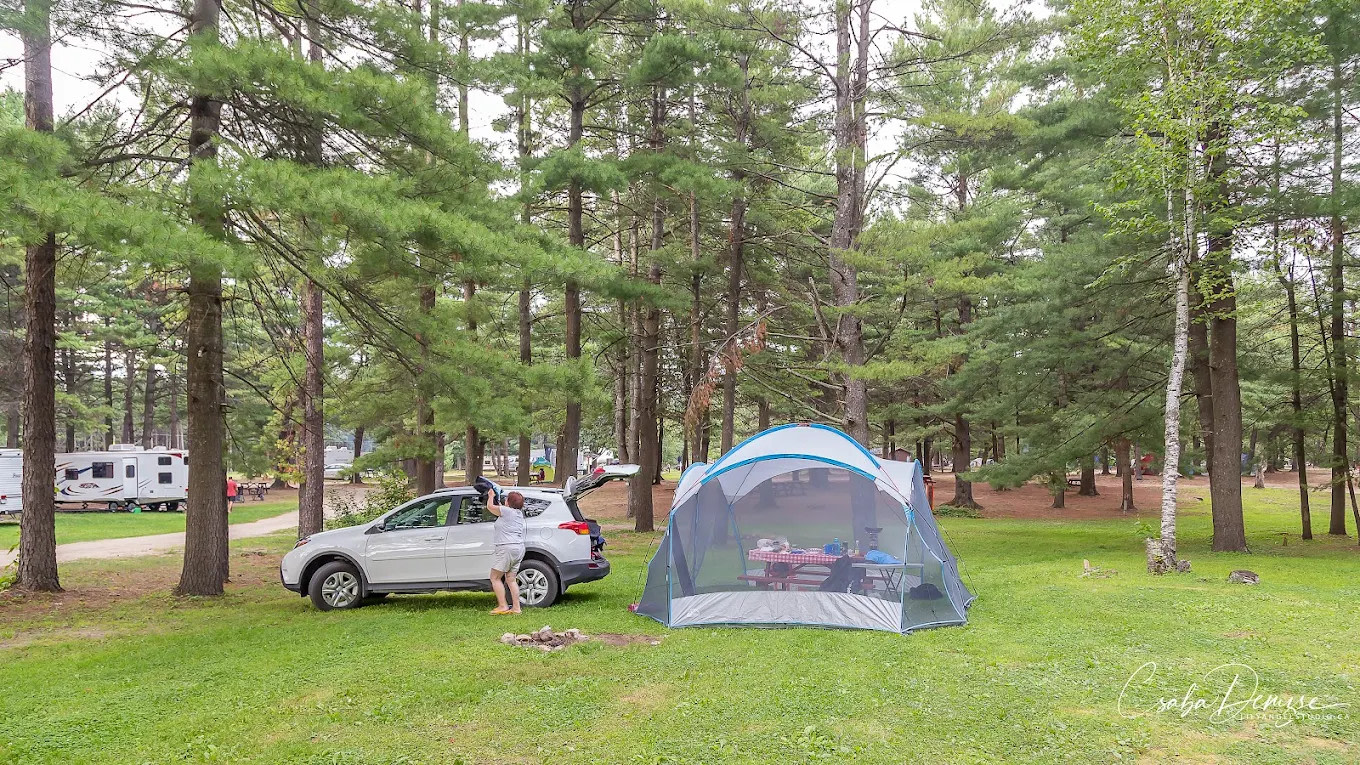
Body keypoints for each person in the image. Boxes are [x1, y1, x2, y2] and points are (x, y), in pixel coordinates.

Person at [485, 489, 526, 614]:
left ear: (508, 502)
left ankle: (503, 606)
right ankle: (516, 608)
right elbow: (502, 510)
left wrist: (491, 496)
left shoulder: (507, 512)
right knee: (511, 579)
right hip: (518, 549)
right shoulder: (518, 514)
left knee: (495, 577)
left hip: (506, 548)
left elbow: (490, 507)